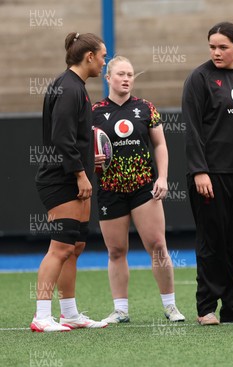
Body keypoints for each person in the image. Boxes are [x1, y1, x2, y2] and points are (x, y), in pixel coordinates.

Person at [93, 56, 185, 324]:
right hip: (110, 189)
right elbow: (83, 148)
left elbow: (160, 145)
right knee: (116, 250)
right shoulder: (95, 112)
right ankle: (120, 310)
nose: (126, 79)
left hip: (144, 188)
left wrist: (163, 177)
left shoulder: (146, 108)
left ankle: (170, 306)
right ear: (107, 78)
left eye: (130, 74)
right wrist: (91, 159)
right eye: (120, 74)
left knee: (157, 246)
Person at [182, 22, 233, 326]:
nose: (216, 52)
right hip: (210, 175)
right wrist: (199, 171)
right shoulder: (199, 79)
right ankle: (205, 308)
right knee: (211, 241)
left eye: (223, 47)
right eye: (212, 46)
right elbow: (192, 130)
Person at [31, 32, 108, 332]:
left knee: (74, 246)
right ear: (89, 56)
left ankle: (69, 313)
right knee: (60, 248)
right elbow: (62, 137)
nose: (104, 61)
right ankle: (41, 316)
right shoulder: (69, 87)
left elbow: (73, 137)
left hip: (74, 177)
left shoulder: (76, 87)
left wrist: (90, 161)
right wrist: (79, 173)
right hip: (60, 180)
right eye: (102, 56)